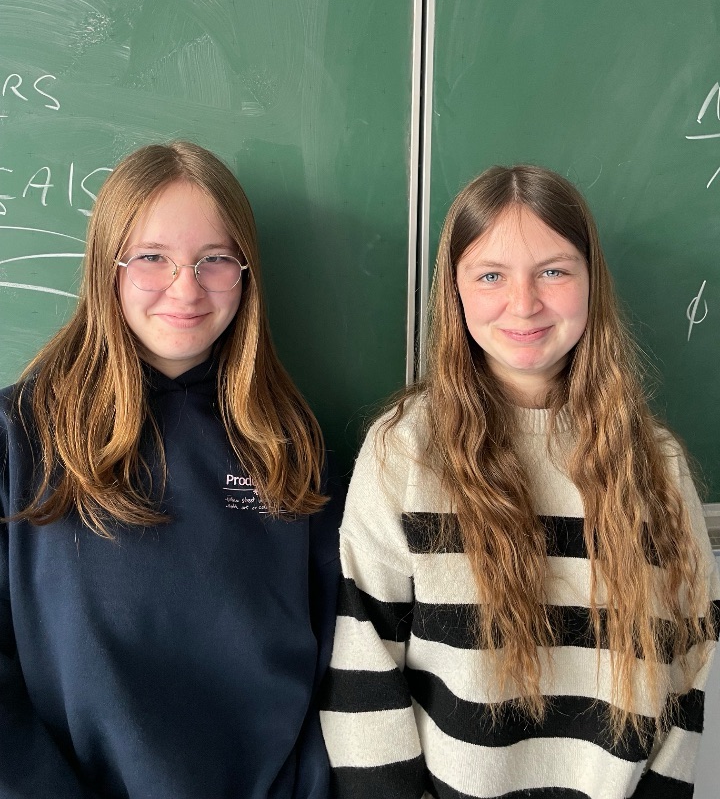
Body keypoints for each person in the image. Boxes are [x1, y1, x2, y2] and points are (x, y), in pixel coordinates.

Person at [319, 164, 720, 799]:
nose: (524, 302)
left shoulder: (656, 465)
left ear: (591, 282)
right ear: (455, 291)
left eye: (554, 271)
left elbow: (694, 661)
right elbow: (364, 664)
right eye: (491, 276)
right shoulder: (405, 452)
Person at [0, 141, 343, 799]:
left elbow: (336, 674)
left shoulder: (295, 450)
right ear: (108, 268)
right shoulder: (20, 438)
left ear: (245, 273)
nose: (186, 288)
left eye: (215, 259)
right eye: (152, 258)